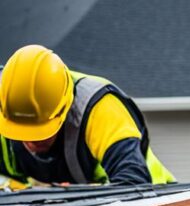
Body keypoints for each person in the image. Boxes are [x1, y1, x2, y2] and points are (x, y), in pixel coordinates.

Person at [0, 45, 174, 185]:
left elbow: (133, 185)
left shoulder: (99, 107)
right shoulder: (7, 98)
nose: (31, 141)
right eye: (20, 130)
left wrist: (74, 198)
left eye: (41, 131)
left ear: (65, 107)